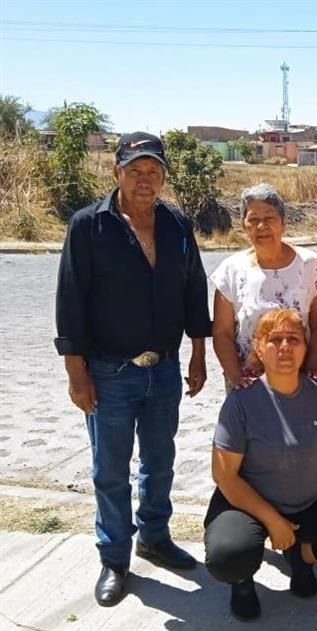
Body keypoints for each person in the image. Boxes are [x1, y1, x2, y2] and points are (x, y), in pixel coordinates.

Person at [54, 132, 211, 606]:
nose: (146, 180)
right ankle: (115, 557)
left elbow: (194, 290)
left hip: (163, 370)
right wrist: (76, 374)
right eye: (136, 170)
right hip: (108, 372)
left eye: (154, 172)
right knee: (110, 470)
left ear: (163, 177)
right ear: (117, 172)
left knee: (161, 460)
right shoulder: (88, 226)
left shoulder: (177, 224)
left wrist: (198, 354)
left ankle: (155, 537)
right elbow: (70, 301)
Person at [203, 309, 317, 620]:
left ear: (306, 347)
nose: (285, 346)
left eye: (294, 339)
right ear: (259, 348)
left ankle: (301, 555)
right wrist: (273, 521)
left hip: (307, 503)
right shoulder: (241, 401)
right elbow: (225, 476)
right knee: (229, 555)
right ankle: (242, 582)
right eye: (274, 340)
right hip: (247, 505)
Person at [210, 183, 317, 390]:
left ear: (283, 223)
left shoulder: (311, 265)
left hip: (298, 381)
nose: (261, 226)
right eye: (253, 220)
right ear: (243, 225)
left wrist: (311, 371)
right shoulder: (230, 270)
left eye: (269, 218)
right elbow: (222, 333)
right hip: (248, 384)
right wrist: (237, 378)